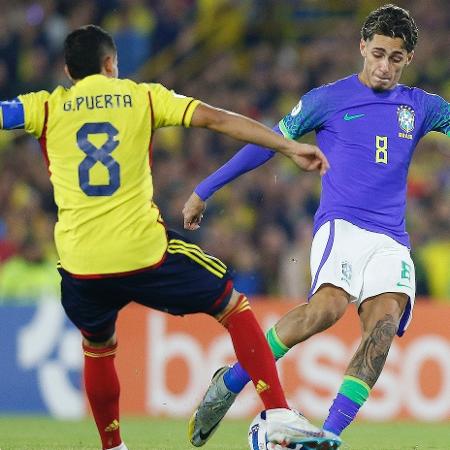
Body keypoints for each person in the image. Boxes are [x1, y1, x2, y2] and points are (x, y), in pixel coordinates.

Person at [0, 25, 341, 450]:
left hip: (81, 264)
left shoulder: (44, 107)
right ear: (111, 64)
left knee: (98, 345)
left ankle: (113, 446)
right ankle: (276, 413)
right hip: (143, 253)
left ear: (68, 70)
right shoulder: (142, 96)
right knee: (233, 306)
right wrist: (287, 146)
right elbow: (217, 119)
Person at [183, 3, 449, 447]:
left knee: (383, 329)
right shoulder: (327, 99)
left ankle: (328, 435)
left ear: (409, 60)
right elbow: (267, 144)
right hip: (341, 226)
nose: (384, 66)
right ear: (363, 47)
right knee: (325, 311)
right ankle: (230, 383)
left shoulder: (421, 107)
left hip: (391, 240)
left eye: (395, 58)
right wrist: (204, 189)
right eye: (378, 53)